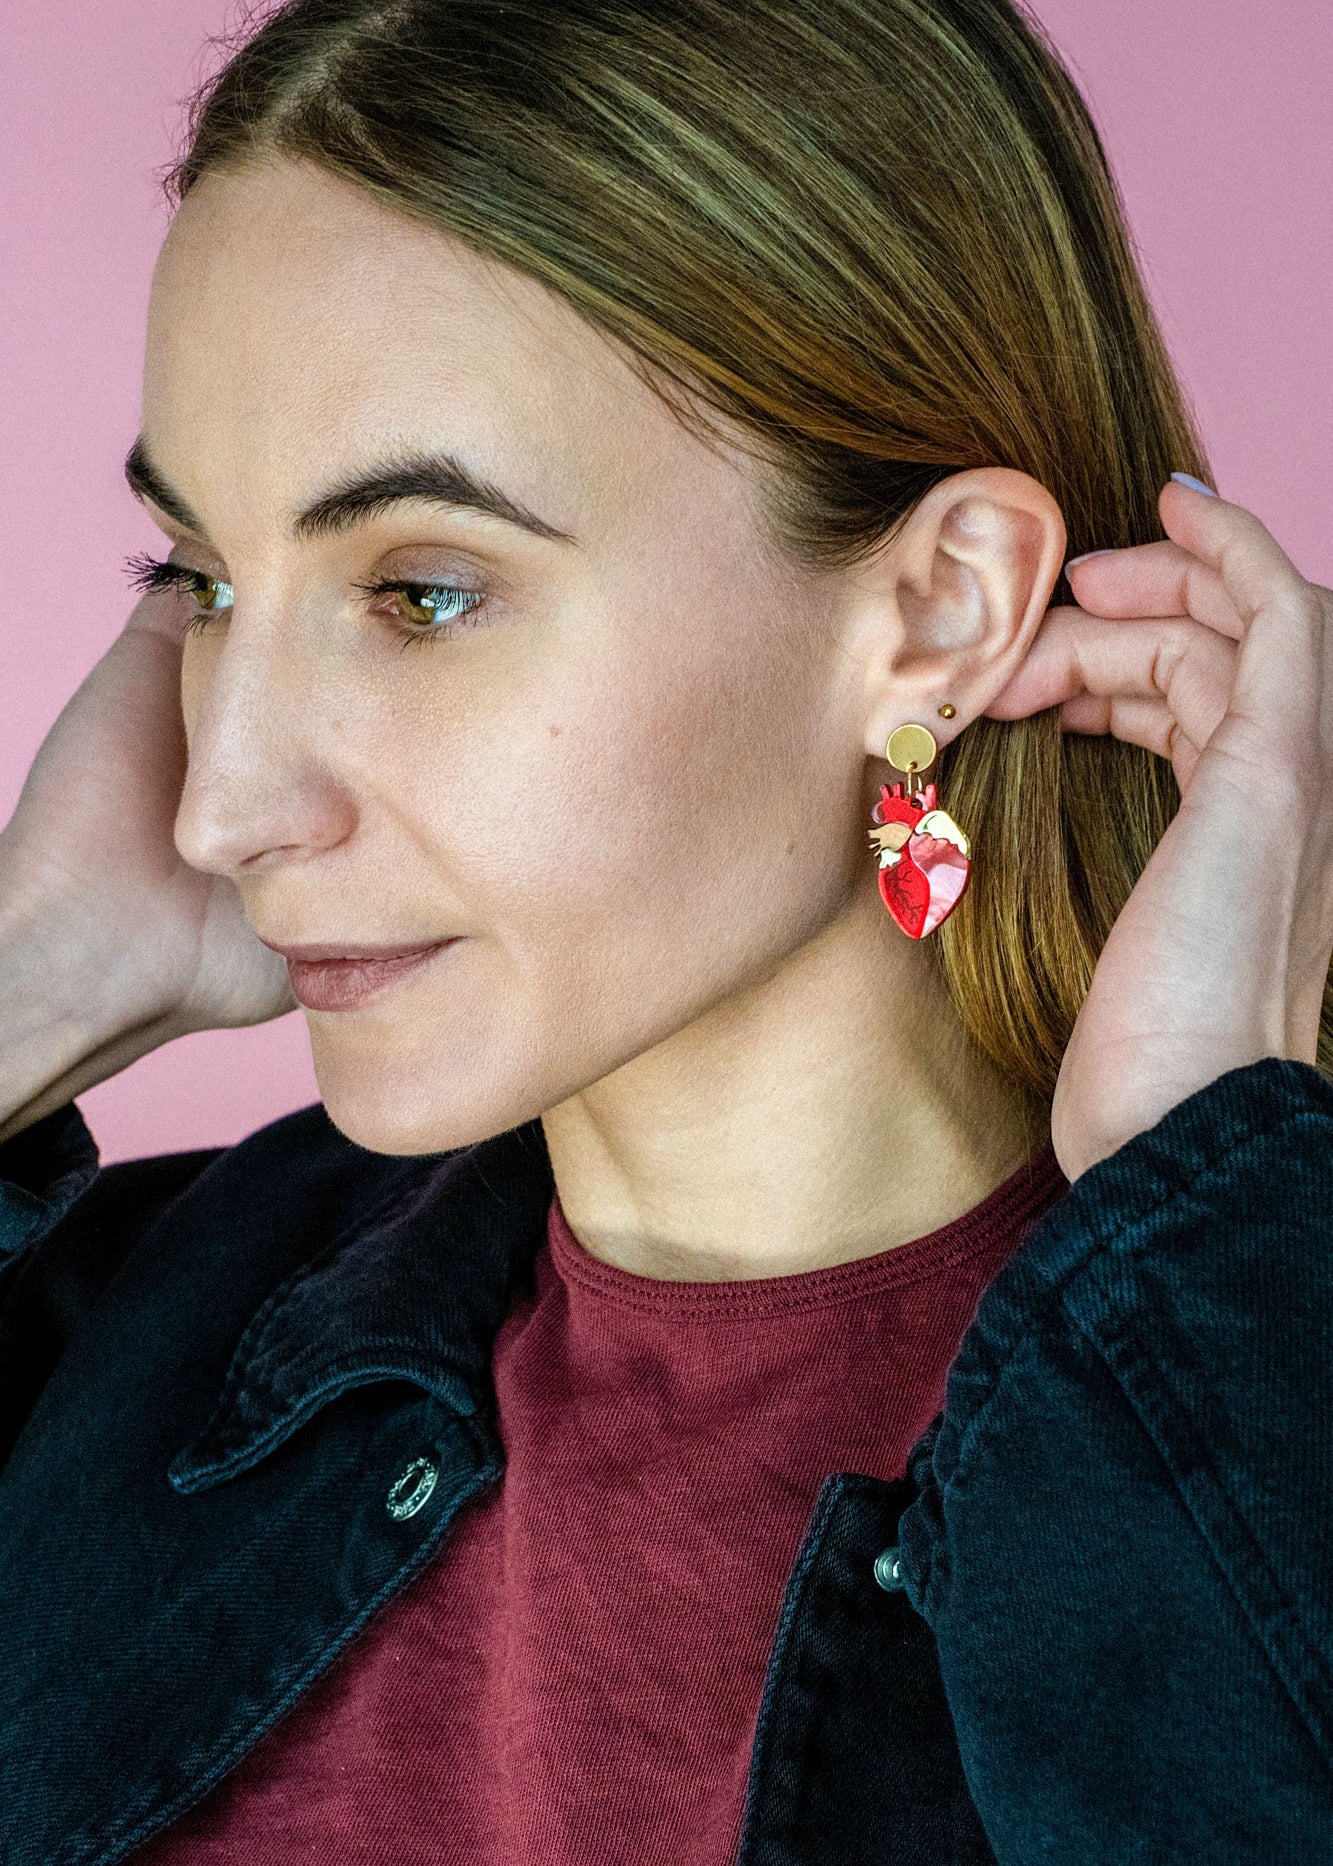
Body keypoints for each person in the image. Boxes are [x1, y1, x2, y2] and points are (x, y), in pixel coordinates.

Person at [1, 0, 1329, 1860]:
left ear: (941, 607)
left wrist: (1214, 1209)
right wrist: (27, 985)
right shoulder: (123, 1347)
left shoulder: (1270, 1411)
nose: (222, 805)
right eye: (203, 579)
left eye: (422, 591)